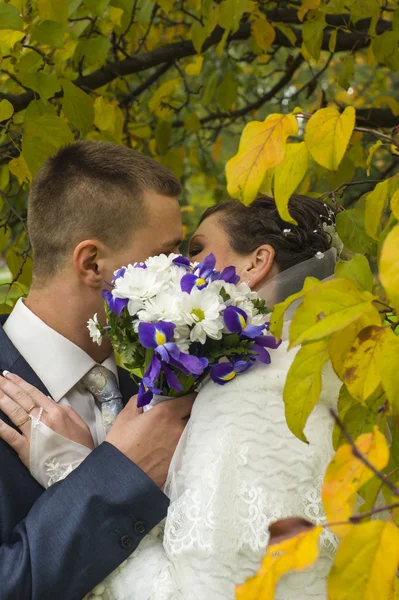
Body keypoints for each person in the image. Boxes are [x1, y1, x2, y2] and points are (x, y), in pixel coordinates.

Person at [0, 194, 341, 599]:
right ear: (91, 263)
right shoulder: (216, 382)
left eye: (192, 251)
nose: (178, 269)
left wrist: (77, 474)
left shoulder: (248, 401)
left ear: (256, 263)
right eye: (171, 253)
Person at [0, 140, 195, 600]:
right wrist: (118, 474)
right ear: (92, 263)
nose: (186, 272)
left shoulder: (158, 395)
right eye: (169, 253)